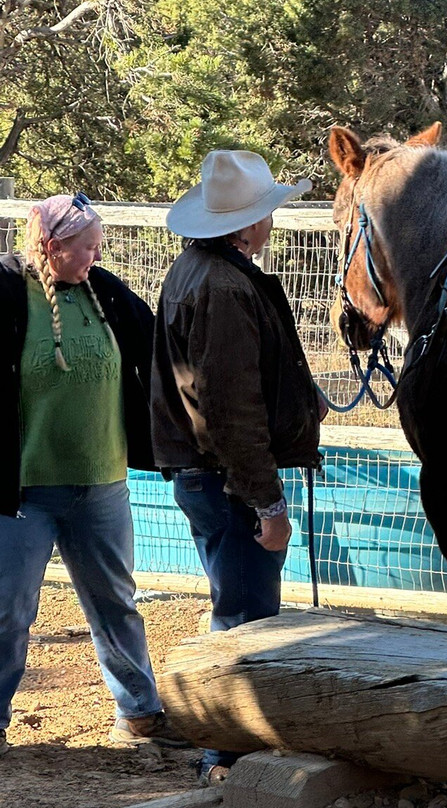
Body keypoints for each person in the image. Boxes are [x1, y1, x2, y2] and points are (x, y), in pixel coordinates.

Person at [151, 151, 323, 785]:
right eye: (267, 211)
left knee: (239, 607)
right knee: (246, 621)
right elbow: (231, 409)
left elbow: (232, 390)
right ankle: (224, 756)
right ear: (249, 224)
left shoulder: (197, 271)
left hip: (208, 475)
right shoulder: (224, 287)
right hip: (229, 481)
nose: (271, 221)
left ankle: (228, 748)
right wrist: (267, 505)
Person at [0, 194, 188, 757]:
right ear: (53, 246)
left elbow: (161, 349)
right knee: (8, 610)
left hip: (102, 482)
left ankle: (139, 713)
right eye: (87, 247)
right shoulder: (5, 289)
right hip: (23, 492)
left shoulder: (102, 290)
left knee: (115, 603)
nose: (96, 256)